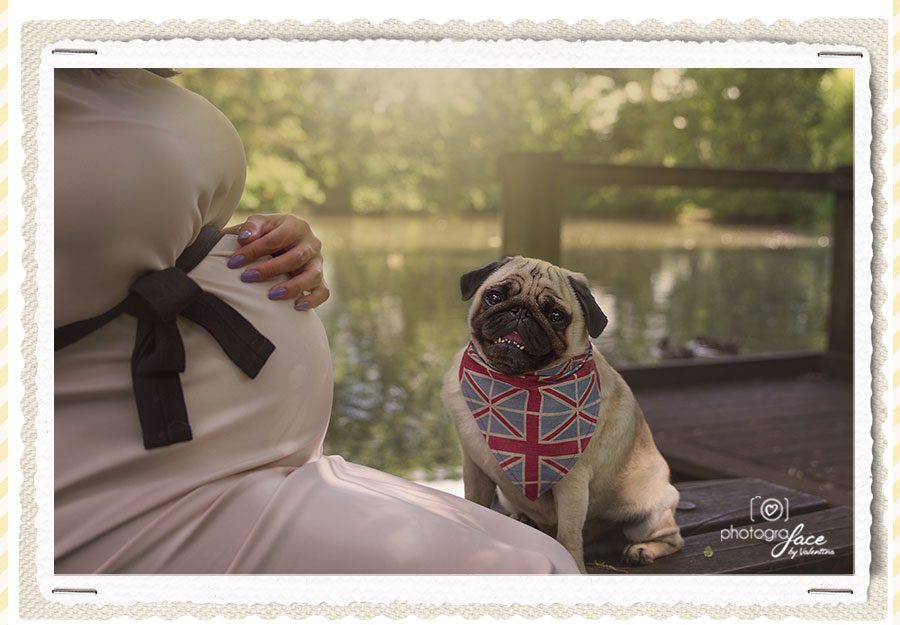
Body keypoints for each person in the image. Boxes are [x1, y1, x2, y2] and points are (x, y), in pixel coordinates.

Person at [53, 68, 579, 574]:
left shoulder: (104, 70)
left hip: (261, 464)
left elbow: (105, 239)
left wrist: (253, 240)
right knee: (528, 576)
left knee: (541, 553)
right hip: (135, 491)